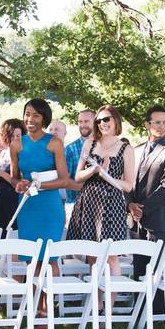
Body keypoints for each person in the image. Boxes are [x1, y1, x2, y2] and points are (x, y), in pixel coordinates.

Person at [67, 105, 136, 306]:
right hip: (89, 201)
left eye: (106, 119)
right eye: (99, 120)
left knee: (112, 256)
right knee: (92, 257)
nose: (103, 124)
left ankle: (110, 306)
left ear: (116, 121)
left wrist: (107, 176)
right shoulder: (90, 143)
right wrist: (94, 170)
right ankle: (96, 305)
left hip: (112, 204)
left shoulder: (126, 148)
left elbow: (129, 184)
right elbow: (78, 177)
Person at [11, 99, 69, 322]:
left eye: (35, 115)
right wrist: (18, 184)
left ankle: (48, 309)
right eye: (27, 114)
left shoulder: (54, 143)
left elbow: (64, 180)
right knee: (30, 259)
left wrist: (38, 185)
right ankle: (35, 307)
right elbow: (16, 177)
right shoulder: (17, 144)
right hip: (27, 206)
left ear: (44, 117)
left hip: (49, 207)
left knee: (49, 258)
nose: (30, 119)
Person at [126, 105, 165, 313]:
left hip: (157, 218)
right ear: (148, 125)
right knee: (138, 266)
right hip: (134, 218)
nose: (162, 126)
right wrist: (130, 204)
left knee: (156, 268)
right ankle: (138, 310)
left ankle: (156, 314)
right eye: (157, 122)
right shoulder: (136, 150)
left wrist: (143, 208)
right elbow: (127, 181)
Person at [0, 118, 25, 231]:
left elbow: (20, 182)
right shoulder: (4, 152)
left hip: (14, 198)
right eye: (11, 136)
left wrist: (1, 173)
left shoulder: (24, 153)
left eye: (18, 136)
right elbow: (1, 182)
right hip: (1, 196)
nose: (15, 139)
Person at [64, 109, 95, 213]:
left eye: (86, 121)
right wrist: (91, 190)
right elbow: (64, 180)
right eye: (80, 122)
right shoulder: (70, 149)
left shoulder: (104, 147)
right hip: (76, 206)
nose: (82, 125)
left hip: (101, 206)